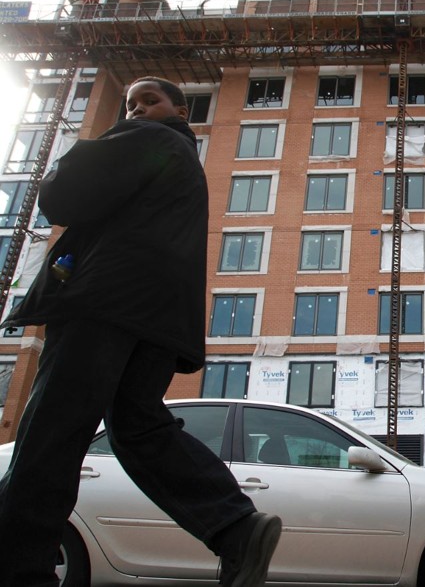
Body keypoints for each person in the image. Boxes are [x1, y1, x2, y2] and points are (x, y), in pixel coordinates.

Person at [0, 76, 281, 587]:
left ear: (179, 110)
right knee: (137, 426)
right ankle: (235, 525)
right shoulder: (187, 168)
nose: (134, 110)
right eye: (129, 104)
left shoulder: (149, 140)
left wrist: (93, 145)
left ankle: (18, 570)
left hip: (102, 305)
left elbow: (63, 194)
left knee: (50, 433)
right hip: (155, 320)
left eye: (148, 101)